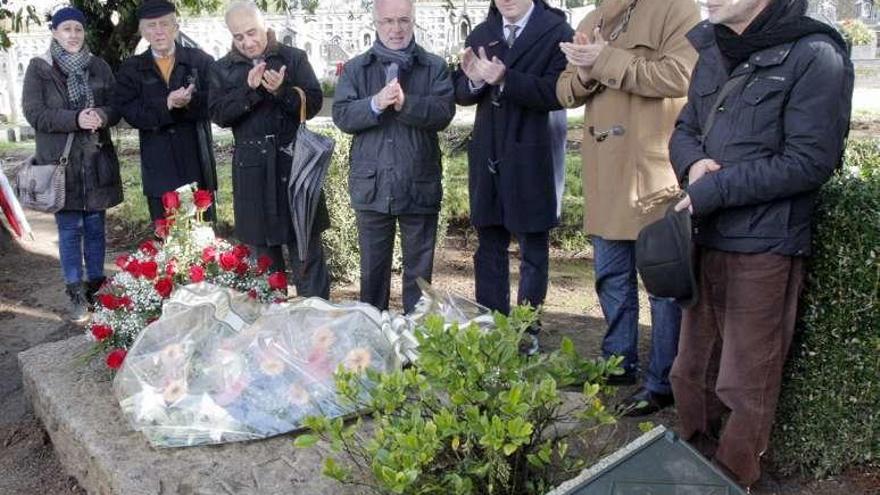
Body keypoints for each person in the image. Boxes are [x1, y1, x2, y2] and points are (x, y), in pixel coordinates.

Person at [667, 0, 853, 487]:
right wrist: (690, 166)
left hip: (765, 246)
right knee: (689, 374)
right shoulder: (713, 47)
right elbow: (685, 127)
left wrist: (716, 188)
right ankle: (692, 472)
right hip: (703, 238)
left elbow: (812, 161)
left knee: (743, 386)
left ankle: (733, 481)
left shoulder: (816, 54)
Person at [556, 0, 700, 415]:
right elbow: (564, 91)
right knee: (609, 277)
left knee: (662, 286)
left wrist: (606, 60)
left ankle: (662, 381)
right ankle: (618, 363)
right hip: (605, 176)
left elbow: (682, 75)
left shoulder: (677, 9)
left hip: (652, 177)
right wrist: (584, 73)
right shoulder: (590, 18)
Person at [453, 0, 573, 355]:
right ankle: (491, 323)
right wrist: (474, 80)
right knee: (489, 242)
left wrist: (506, 79)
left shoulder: (557, 33)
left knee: (532, 245)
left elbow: (558, 92)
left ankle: (526, 328)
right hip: (489, 153)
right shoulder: (483, 33)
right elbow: (461, 92)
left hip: (534, 152)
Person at [332, 0, 455, 314]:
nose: (396, 29)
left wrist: (405, 104)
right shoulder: (356, 69)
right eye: (388, 21)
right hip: (371, 187)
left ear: (414, 20)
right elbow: (342, 115)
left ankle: (417, 348)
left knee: (419, 277)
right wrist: (374, 103)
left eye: (403, 20)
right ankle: (374, 345)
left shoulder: (435, 67)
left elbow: (444, 113)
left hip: (419, 184)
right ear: (376, 21)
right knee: (372, 274)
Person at [209, 1, 329, 299]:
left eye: (252, 33)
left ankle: (318, 324)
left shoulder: (293, 57)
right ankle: (271, 333)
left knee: (307, 253)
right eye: (239, 37)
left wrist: (281, 91)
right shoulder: (221, 69)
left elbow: (313, 103)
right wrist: (249, 92)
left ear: (265, 26)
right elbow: (219, 115)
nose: (248, 42)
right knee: (262, 263)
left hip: (295, 167)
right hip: (252, 174)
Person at [22, 7, 122, 321]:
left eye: (78, 29)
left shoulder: (99, 66)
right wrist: (76, 118)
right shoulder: (40, 69)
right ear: (54, 32)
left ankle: (96, 285)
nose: (73, 35)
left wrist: (102, 116)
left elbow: (116, 106)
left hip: (95, 159)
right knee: (68, 230)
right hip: (60, 165)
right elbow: (35, 114)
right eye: (66, 29)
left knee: (95, 228)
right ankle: (75, 291)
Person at [113, 0, 217, 223]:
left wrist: (189, 102)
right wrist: (166, 104)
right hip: (158, 164)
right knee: (166, 238)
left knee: (203, 236)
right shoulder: (132, 68)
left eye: (164, 24)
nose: (158, 31)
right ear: (142, 31)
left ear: (176, 27)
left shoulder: (199, 61)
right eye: (151, 25)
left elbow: (217, 101)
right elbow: (130, 111)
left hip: (196, 159)